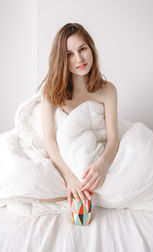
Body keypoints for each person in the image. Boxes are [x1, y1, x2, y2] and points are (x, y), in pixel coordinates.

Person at [38, 23, 120, 205]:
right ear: (61, 59)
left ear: (91, 49)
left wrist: (102, 164)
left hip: (97, 152)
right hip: (67, 157)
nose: (79, 59)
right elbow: (49, 140)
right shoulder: (49, 90)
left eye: (82, 49)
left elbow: (114, 140)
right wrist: (70, 178)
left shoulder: (108, 90)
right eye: (69, 54)